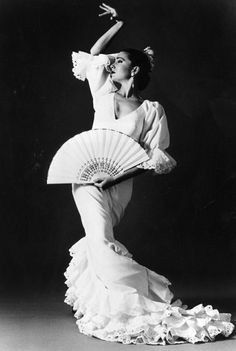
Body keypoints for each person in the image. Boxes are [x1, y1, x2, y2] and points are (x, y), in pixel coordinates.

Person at [64, 3, 234, 345]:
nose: (112, 63)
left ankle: (131, 300)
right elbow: (94, 55)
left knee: (104, 240)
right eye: (113, 62)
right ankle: (126, 304)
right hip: (85, 177)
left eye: (121, 61)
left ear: (136, 69)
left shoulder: (151, 111)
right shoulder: (101, 91)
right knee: (98, 239)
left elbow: (150, 159)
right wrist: (119, 24)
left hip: (118, 182)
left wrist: (112, 179)